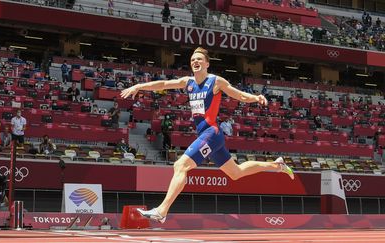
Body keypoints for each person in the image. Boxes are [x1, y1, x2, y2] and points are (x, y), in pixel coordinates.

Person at [121, 47, 294, 223]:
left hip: (212, 133)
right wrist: (139, 85)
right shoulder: (188, 82)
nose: (195, 62)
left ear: (207, 63)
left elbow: (238, 95)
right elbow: (164, 85)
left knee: (181, 166)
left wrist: (255, 97)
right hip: (206, 135)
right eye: (192, 60)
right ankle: (276, 165)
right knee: (236, 172)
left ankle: (162, 211)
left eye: (199, 59)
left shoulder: (216, 82)